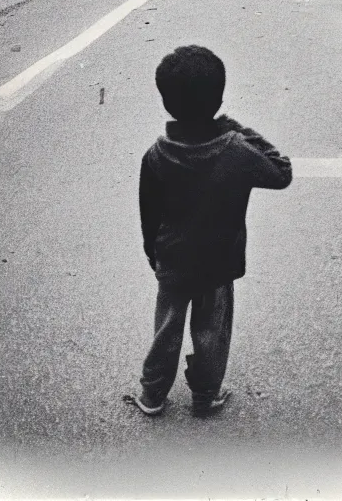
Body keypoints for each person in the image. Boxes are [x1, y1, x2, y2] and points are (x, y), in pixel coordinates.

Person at [126, 45, 292, 417]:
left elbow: (147, 213)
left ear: (167, 103)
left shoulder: (156, 154)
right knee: (212, 332)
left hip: (172, 260)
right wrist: (238, 128)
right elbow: (281, 172)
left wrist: (153, 254)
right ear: (218, 99)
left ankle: (152, 396)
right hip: (219, 260)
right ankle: (206, 395)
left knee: (166, 330)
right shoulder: (237, 150)